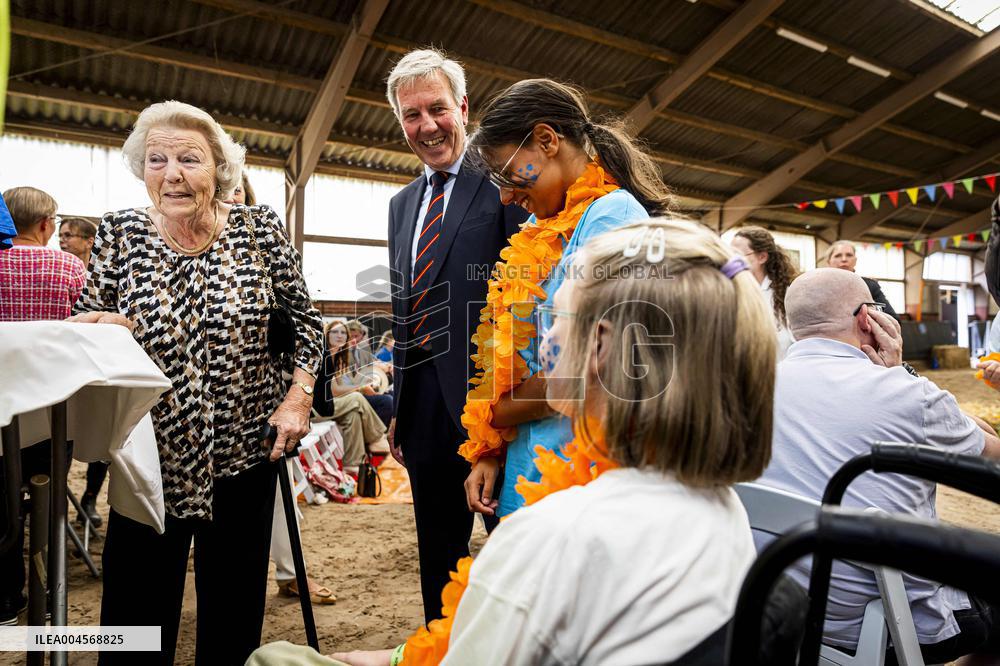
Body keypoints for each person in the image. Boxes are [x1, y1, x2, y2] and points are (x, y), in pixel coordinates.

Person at [250, 218, 776, 666]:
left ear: (603, 348)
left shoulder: (551, 537)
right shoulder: (723, 507)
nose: (544, 341)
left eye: (557, 318)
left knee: (270, 657)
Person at [69, 100, 323, 665]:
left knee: (233, 617)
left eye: (190, 159)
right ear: (142, 169)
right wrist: (104, 330)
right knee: (135, 618)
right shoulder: (119, 233)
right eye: (156, 159)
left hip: (247, 452)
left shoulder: (259, 232)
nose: (173, 173)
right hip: (148, 462)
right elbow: (83, 330)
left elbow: (307, 326)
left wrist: (297, 398)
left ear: (219, 170)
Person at [757, 267, 1000, 665]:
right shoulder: (908, 394)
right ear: (867, 319)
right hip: (892, 621)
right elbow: (992, 448)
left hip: (779, 603)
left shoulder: (749, 384)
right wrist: (900, 372)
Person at [462, 77, 674, 523]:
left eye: (508, 174)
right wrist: (489, 448)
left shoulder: (614, 219)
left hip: (583, 485)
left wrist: (499, 410)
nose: (504, 195)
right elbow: (506, 352)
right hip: (531, 474)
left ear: (546, 139)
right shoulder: (536, 233)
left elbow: (598, 372)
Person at [385, 48, 530, 623]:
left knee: (518, 553)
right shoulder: (401, 206)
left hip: (494, 408)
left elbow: (527, 301)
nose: (426, 126)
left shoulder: (506, 183)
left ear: (463, 107)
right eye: (411, 115)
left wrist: (503, 419)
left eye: (436, 109)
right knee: (438, 562)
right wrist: (401, 404)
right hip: (422, 413)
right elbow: (405, 309)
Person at [0, 186, 85, 625]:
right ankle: (49, 596)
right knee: (50, 501)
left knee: (1, 503)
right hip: (54, 409)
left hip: (0, 412)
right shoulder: (69, 267)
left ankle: (5, 599)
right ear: (46, 224)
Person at [315, 320, 388, 472]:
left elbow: (341, 387)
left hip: (330, 405)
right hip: (314, 410)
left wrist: (363, 383)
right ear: (327, 334)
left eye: (343, 332)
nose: (339, 335)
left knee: (353, 414)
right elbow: (334, 391)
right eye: (335, 332)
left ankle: (352, 464)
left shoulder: (339, 358)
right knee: (358, 399)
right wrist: (360, 388)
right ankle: (377, 438)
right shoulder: (322, 356)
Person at [731, 226, 797, 359]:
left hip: (780, 373)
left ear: (762, 257)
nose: (730, 260)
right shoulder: (730, 293)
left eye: (736, 255)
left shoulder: (787, 295)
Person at [826, 240, 900, 320]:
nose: (844, 259)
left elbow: (893, 319)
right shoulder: (819, 287)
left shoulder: (870, 286)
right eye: (838, 255)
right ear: (828, 262)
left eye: (849, 255)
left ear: (855, 260)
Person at [345, 319, 393, 426]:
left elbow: (374, 362)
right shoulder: (344, 353)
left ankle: (386, 432)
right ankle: (378, 434)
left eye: (356, 336)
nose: (354, 340)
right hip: (353, 391)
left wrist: (386, 366)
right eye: (351, 336)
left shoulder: (360, 351)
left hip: (363, 386)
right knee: (387, 401)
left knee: (392, 395)